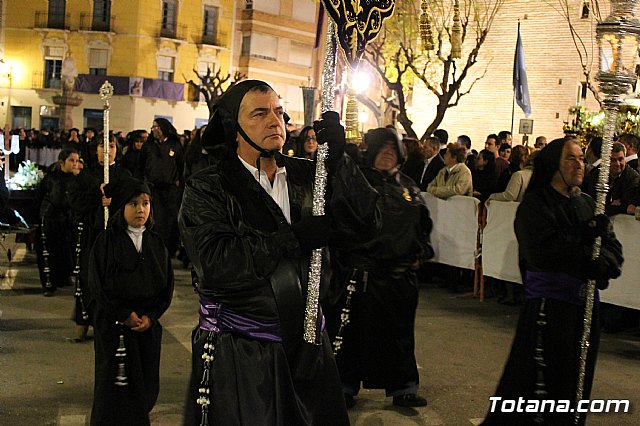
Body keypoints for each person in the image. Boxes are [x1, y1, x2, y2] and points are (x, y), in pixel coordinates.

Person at [179, 80, 378, 425]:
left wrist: (342, 163)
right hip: (247, 355)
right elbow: (216, 264)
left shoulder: (308, 176)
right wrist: (291, 238)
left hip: (312, 349)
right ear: (233, 128)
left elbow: (366, 227)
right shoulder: (209, 186)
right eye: (260, 113)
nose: (275, 121)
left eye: (279, 112)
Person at [481, 138, 623, 425]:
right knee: (540, 388)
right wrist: (585, 250)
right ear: (553, 164)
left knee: (576, 386)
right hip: (549, 312)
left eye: (582, 158)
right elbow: (543, 252)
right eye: (571, 158)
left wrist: (601, 265)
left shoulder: (587, 203)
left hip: (584, 313)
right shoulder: (535, 205)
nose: (579, 164)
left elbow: (613, 250)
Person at [325, 127, 433, 409]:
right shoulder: (356, 183)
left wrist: (421, 253)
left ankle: (404, 387)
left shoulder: (408, 186)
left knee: (399, 336)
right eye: (382, 148)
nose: (387, 154)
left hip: (399, 277)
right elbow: (342, 222)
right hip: (363, 275)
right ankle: (345, 385)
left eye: (392, 149)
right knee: (352, 333)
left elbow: (422, 226)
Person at [89, 177, 174, 426]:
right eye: (134, 204)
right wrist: (123, 314)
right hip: (114, 326)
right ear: (121, 208)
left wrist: (152, 317)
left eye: (146, 203)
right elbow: (98, 286)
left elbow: (166, 286)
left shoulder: (156, 242)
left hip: (146, 327)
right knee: (113, 392)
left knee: (144, 389)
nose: (141, 210)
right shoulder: (106, 242)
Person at [68, 135, 132, 341]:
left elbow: (132, 202)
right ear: (96, 149)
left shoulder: (124, 175)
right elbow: (76, 203)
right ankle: (84, 320)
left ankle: (109, 322)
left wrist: (114, 202)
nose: (107, 150)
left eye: (112, 145)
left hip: (116, 237)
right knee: (89, 278)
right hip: (92, 235)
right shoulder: (86, 175)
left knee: (113, 279)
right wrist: (97, 196)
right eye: (103, 145)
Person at [36, 148, 80, 296]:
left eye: (77, 160)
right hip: (51, 219)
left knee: (66, 252)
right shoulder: (52, 178)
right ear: (62, 162)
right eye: (71, 160)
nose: (75, 164)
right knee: (50, 253)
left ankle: (63, 277)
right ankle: (49, 284)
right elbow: (49, 197)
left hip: (67, 221)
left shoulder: (77, 179)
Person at [139, 118, 184, 255]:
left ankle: (168, 250)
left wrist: (179, 183)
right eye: (152, 127)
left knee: (170, 221)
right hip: (153, 190)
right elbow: (141, 166)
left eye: (156, 127)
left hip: (170, 190)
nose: (153, 130)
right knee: (154, 220)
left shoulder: (174, 145)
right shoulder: (149, 146)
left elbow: (181, 166)